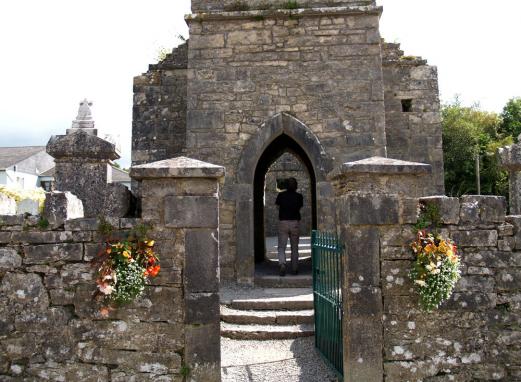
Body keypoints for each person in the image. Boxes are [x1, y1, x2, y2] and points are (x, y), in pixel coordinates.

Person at [275, 177, 303, 276]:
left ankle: (282, 264)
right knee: (294, 247)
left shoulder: (281, 195)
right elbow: (299, 207)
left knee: (281, 247)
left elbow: (278, 206)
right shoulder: (299, 196)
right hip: (294, 222)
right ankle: (295, 268)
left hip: (283, 222)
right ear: (296, 186)